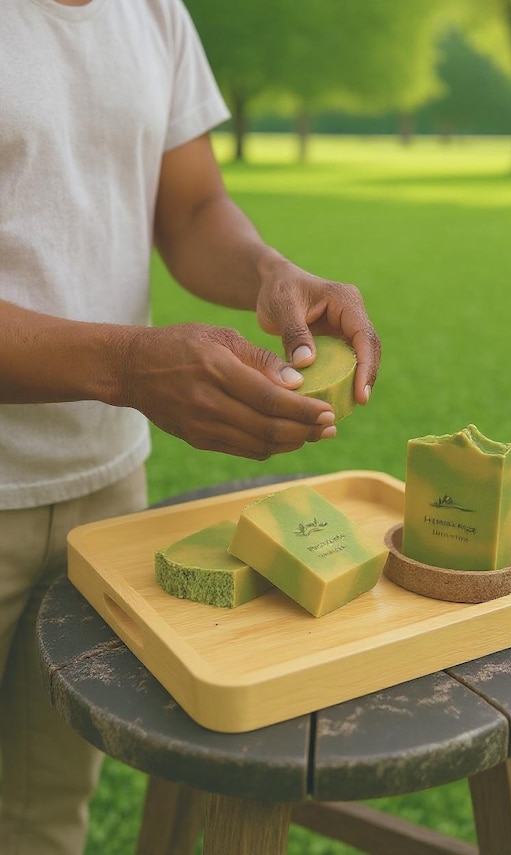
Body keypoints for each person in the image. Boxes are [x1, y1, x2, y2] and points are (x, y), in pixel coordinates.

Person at [0, 0, 380, 852]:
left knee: (43, 811)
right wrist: (129, 366)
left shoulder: (153, 11)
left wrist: (270, 271)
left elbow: (191, 207)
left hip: (106, 489)